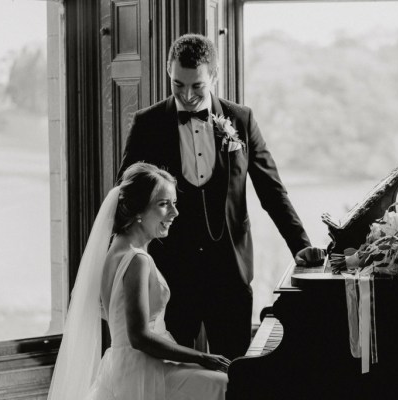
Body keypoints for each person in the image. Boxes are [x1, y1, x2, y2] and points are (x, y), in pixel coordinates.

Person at [117, 33, 324, 360]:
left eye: (197, 86)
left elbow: (272, 190)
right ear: (168, 76)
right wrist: (122, 259)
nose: (186, 96)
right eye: (177, 84)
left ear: (214, 77)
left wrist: (300, 246)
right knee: (172, 376)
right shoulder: (149, 124)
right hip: (172, 274)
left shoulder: (241, 120)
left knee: (236, 374)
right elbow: (126, 194)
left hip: (229, 273)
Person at [47, 162, 229, 400]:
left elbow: (112, 314)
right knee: (224, 384)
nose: (175, 213)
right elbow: (139, 337)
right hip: (143, 372)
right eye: (164, 204)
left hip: (122, 367)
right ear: (139, 211)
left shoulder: (114, 251)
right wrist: (202, 357)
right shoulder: (137, 259)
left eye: (174, 203)